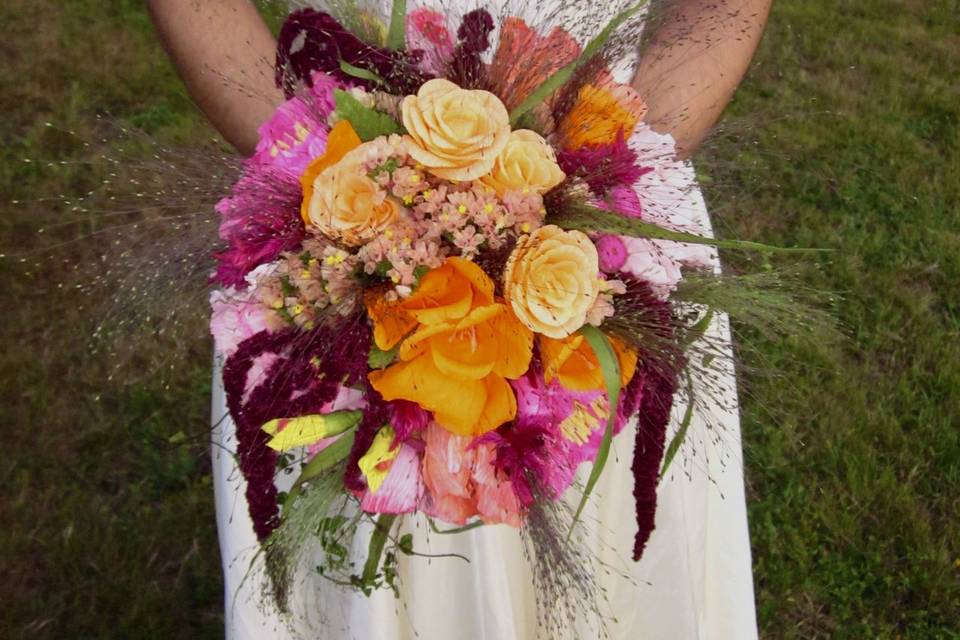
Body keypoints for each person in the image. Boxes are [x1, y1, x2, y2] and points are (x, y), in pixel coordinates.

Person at [148, 1, 771, 638]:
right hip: (334, 212)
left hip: (604, 213)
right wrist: (313, 166)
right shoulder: (329, 203)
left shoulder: (610, 198)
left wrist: (606, 174)